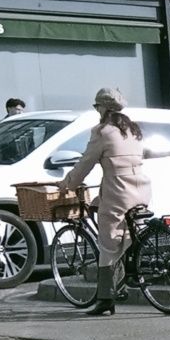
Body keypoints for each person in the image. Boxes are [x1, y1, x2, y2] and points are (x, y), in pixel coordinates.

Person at [59, 88, 151, 317]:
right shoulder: (133, 130)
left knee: (108, 245)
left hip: (118, 191)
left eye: (96, 106)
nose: (96, 110)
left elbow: (85, 163)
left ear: (103, 108)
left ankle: (106, 299)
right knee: (124, 230)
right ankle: (125, 275)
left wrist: (67, 184)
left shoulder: (102, 131)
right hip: (141, 190)